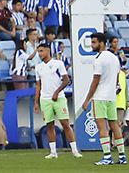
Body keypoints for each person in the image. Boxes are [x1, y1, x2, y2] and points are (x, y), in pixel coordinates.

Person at [82, 32, 124, 166]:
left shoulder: (99, 59)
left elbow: (95, 81)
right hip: (111, 97)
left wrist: (87, 99)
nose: (92, 45)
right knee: (115, 126)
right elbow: (117, 78)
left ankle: (107, 156)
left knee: (102, 127)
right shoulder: (114, 58)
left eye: (94, 42)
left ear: (101, 43)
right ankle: (122, 156)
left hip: (100, 97)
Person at [33, 44, 80, 159]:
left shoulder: (58, 64)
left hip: (59, 98)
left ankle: (74, 150)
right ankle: (53, 152)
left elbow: (66, 80)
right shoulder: (38, 67)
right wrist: (36, 101)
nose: (40, 54)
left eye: (41, 51)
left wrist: (56, 92)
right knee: (49, 125)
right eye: (38, 51)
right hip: (45, 99)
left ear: (48, 51)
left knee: (65, 124)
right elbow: (38, 85)